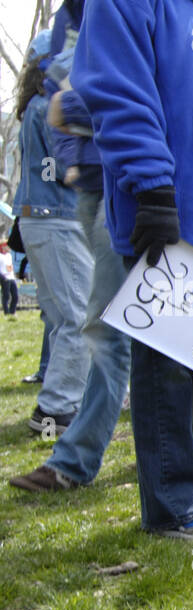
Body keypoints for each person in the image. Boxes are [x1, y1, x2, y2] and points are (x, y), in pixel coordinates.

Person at [74, 0, 193, 539]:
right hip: (170, 209)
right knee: (169, 364)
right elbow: (116, 87)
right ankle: (174, 501)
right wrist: (151, 183)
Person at [10, 35, 132, 493]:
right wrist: (81, 170)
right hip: (70, 209)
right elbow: (53, 158)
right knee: (87, 322)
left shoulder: (38, 107)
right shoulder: (47, 103)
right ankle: (60, 418)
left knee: (80, 321)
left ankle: (67, 414)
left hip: (69, 212)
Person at [16, 30, 93, 436]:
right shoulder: (48, 107)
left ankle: (66, 403)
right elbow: (64, 171)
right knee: (76, 318)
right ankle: (56, 410)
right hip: (56, 220)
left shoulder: (32, 107)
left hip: (42, 220)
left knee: (67, 316)